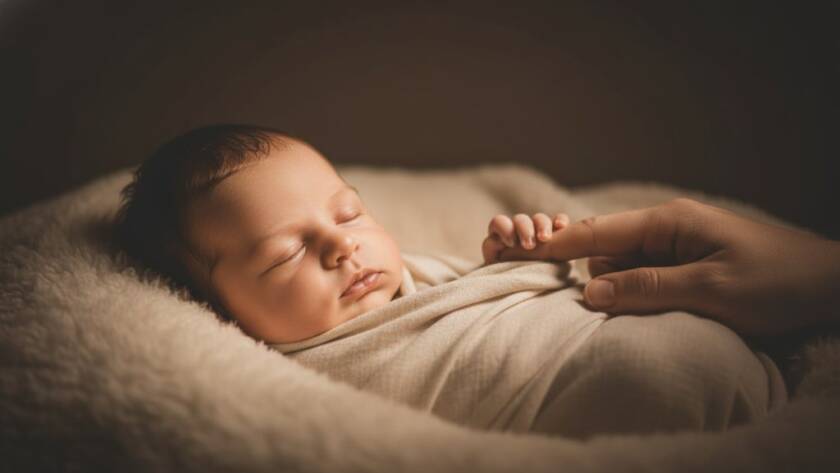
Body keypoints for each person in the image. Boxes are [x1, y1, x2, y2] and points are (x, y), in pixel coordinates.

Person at [114, 124, 800, 439]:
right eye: (282, 256)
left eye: (349, 214)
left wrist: (518, 260)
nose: (340, 246)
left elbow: (487, 304)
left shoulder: (412, 274)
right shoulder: (295, 375)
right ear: (213, 309)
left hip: (707, 353)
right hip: (629, 406)